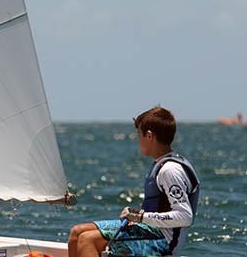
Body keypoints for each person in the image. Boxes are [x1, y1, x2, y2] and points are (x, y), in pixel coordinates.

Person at [67, 107, 200, 257]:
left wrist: (141, 218)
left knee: (87, 240)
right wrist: (138, 215)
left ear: (149, 136)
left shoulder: (169, 170)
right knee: (77, 233)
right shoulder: (162, 164)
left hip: (163, 241)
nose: (138, 140)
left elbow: (185, 216)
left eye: (139, 135)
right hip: (148, 229)